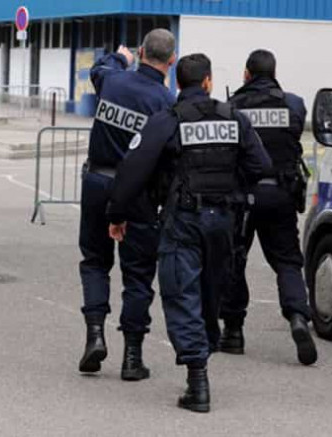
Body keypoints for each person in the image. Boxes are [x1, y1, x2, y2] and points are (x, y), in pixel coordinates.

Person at [107, 53, 272, 412]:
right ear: (208, 82)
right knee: (211, 292)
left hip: (183, 219)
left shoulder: (167, 120)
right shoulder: (234, 118)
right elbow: (261, 164)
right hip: (223, 221)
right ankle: (204, 351)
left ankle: (198, 381)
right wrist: (231, 188)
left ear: (178, 83)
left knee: (183, 293)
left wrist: (117, 214)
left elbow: (132, 169)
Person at [77, 29, 176, 381]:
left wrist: (121, 57)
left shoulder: (113, 81)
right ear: (171, 60)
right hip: (139, 193)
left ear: (141, 51)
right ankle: (132, 357)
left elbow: (98, 68)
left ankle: (95, 334)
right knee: (138, 274)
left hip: (97, 182)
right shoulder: (165, 102)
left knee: (94, 261)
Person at [218, 49, 318, 366]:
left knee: (235, 260)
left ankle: (233, 332)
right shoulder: (293, 104)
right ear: (274, 73)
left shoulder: (231, 108)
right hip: (281, 194)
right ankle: (298, 317)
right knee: (287, 262)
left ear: (246, 74)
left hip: (243, 197)